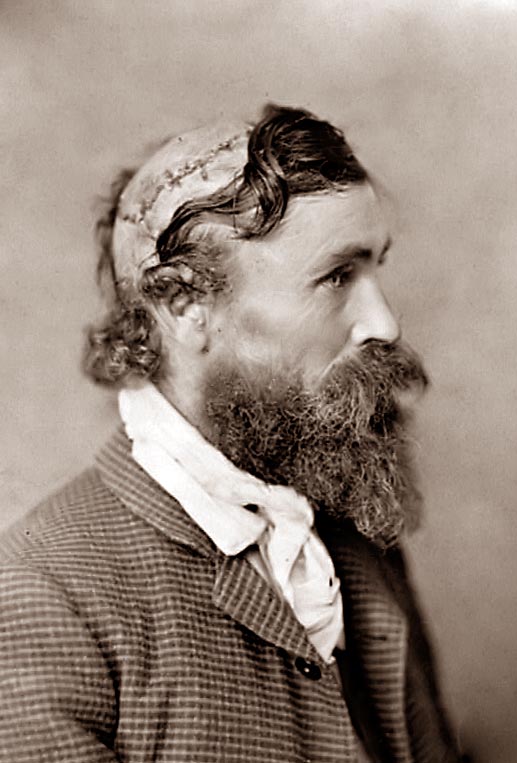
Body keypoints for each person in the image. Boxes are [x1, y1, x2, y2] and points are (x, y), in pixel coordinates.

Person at [0, 104, 461, 762]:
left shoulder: (352, 531)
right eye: (336, 276)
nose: (384, 323)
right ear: (185, 306)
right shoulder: (42, 595)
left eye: (374, 268)